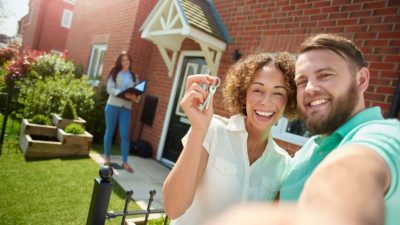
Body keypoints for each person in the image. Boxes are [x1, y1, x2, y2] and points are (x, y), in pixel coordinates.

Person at [205, 34, 399, 225]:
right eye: (302, 81)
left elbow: (354, 171)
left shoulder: (384, 134)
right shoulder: (308, 150)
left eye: (325, 75)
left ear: (361, 80)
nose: (310, 88)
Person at [163, 52, 298, 225]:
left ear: (288, 100)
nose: (266, 101)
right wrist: (198, 129)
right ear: (243, 94)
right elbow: (173, 208)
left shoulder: (283, 164)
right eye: (258, 90)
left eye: (278, 93)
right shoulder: (212, 131)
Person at [104, 51, 140, 173]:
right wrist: (122, 93)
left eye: (128, 60)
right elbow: (109, 89)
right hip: (113, 105)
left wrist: (134, 98)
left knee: (125, 134)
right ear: (120, 62)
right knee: (110, 132)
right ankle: (107, 158)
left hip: (126, 107)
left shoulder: (134, 76)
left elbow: (137, 96)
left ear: (130, 62)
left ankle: (125, 162)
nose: (126, 62)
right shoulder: (114, 73)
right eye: (123, 60)